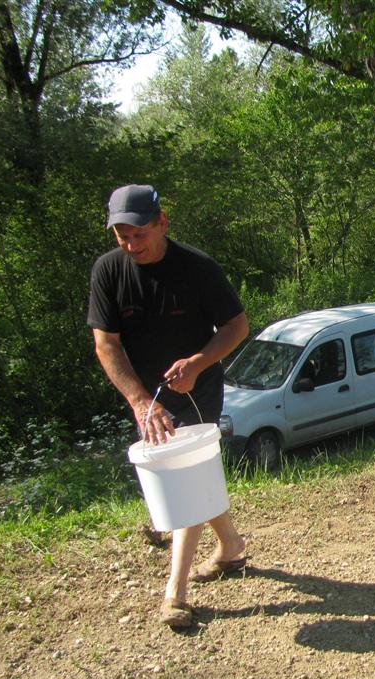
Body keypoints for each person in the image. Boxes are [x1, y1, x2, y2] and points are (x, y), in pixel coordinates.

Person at [88, 184, 250, 627]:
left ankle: (175, 593)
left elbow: (237, 326)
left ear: (162, 223)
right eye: (122, 235)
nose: (131, 244)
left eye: (139, 234)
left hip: (198, 386)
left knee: (183, 478)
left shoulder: (197, 268)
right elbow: (106, 344)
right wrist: (139, 401)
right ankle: (231, 545)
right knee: (193, 477)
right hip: (147, 396)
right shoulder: (108, 271)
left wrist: (198, 363)